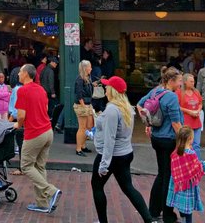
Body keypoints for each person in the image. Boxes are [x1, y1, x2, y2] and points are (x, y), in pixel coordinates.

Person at [91, 76, 152, 223]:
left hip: (112, 155)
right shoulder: (127, 107)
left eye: (107, 87)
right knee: (128, 187)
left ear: (112, 90)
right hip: (125, 153)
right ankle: (149, 220)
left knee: (97, 186)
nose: (105, 90)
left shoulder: (112, 109)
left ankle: (102, 221)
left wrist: (104, 164)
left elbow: (109, 138)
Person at [14, 64, 62, 214]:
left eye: (20, 72)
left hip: (34, 133)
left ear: (27, 74)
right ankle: (42, 203)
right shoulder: (41, 89)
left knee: (26, 166)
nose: (18, 74)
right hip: (47, 131)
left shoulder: (22, 90)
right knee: (40, 167)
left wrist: (18, 124)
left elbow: (21, 115)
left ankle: (51, 191)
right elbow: (45, 109)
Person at [137, 66, 183, 223]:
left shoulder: (156, 91)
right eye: (179, 81)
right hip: (169, 139)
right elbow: (176, 123)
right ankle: (168, 214)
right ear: (171, 80)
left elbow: (140, 105)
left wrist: (148, 123)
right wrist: (185, 143)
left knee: (162, 174)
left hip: (156, 138)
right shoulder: (172, 97)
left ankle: (154, 209)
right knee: (168, 177)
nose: (180, 85)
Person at [166, 126, 205, 223]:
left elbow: (175, 170)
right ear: (190, 139)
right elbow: (196, 169)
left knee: (182, 210)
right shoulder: (191, 154)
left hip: (177, 185)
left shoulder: (175, 153)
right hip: (188, 187)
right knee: (188, 212)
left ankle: (183, 221)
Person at [178, 73, 203, 157]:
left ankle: (197, 164)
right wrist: (189, 111)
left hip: (196, 122)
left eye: (193, 81)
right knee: (185, 145)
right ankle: (185, 163)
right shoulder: (179, 92)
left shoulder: (196, 92)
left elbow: (200, 103)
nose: (193, 83)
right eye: (191, 81)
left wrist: (198, 110)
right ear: (185, 82)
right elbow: (177, 107)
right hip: (186, 123)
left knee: (196, 145)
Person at [74, 59, 94, 156]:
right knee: (82, 127)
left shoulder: (87, 78)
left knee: (89, 126)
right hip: (82, 105)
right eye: (90, 66)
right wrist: (83, 106)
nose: (91, 68)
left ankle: (83, 145)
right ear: (85, 68)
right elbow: (79, 94)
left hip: (88, 104)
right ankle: (78, 149)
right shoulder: (80, 79)